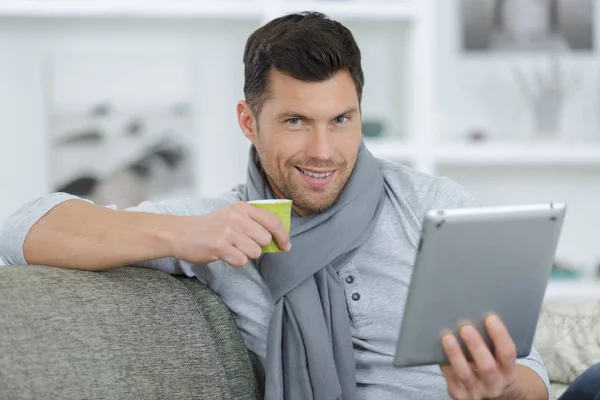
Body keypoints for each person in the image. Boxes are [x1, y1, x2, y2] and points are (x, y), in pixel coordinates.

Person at [0, 12, 551, 400]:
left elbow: (531, 373)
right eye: (295, 122)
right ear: (249, 122)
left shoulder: (433, 206)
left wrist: (499, 389)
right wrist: (182, 234)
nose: (323, 151)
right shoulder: (224, 228)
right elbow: (24, 229)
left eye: (341, 120)